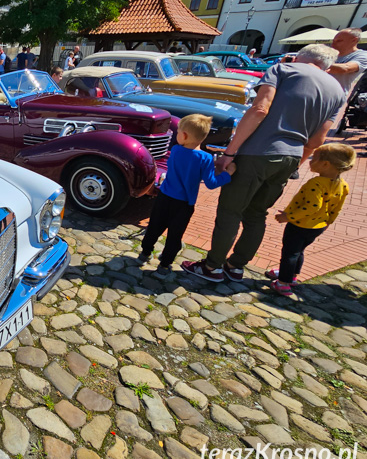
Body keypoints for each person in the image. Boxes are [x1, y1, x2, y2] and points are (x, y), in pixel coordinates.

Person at [182, 44, 345, 283]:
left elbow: (259, 109)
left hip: (256, 153)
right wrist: (295, 164)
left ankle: (212, 267)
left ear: (301, 57)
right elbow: (317, 139)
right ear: (327, 65)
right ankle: (236, 266)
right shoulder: (338, 92)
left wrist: (230, 153)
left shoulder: (283, 70)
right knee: (257, 214)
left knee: (230, 212)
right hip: (291, 156)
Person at [139, 115, 235, 279]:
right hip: (183, 204)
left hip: (164, 197)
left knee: (154, 227)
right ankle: (164, 265)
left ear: (183, 136)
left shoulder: (176, 150)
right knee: (175, 235)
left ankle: (145, 254)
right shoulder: (205, 158)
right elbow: (211, 183)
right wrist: (228, 175)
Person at [264, 143, 355, 295]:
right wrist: (328, 222)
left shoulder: (316, 183)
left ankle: (283, 283)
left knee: (289, 253)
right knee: (299, 251)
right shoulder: (343, 185)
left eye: (314, 158)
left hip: (300, 225)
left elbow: (312, 207)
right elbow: (336, 208)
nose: (310, 160)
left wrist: (288, 216)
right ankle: (292, 276)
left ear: (325, 164)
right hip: (318, 226)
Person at [328, 28, 367, 95]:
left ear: (354, 40)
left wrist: (314, 63)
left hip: (334, 95)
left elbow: (345, 68)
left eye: (339, 41)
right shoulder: (330, 53)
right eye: (333, 41)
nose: (333, 44)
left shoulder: (362, 55)